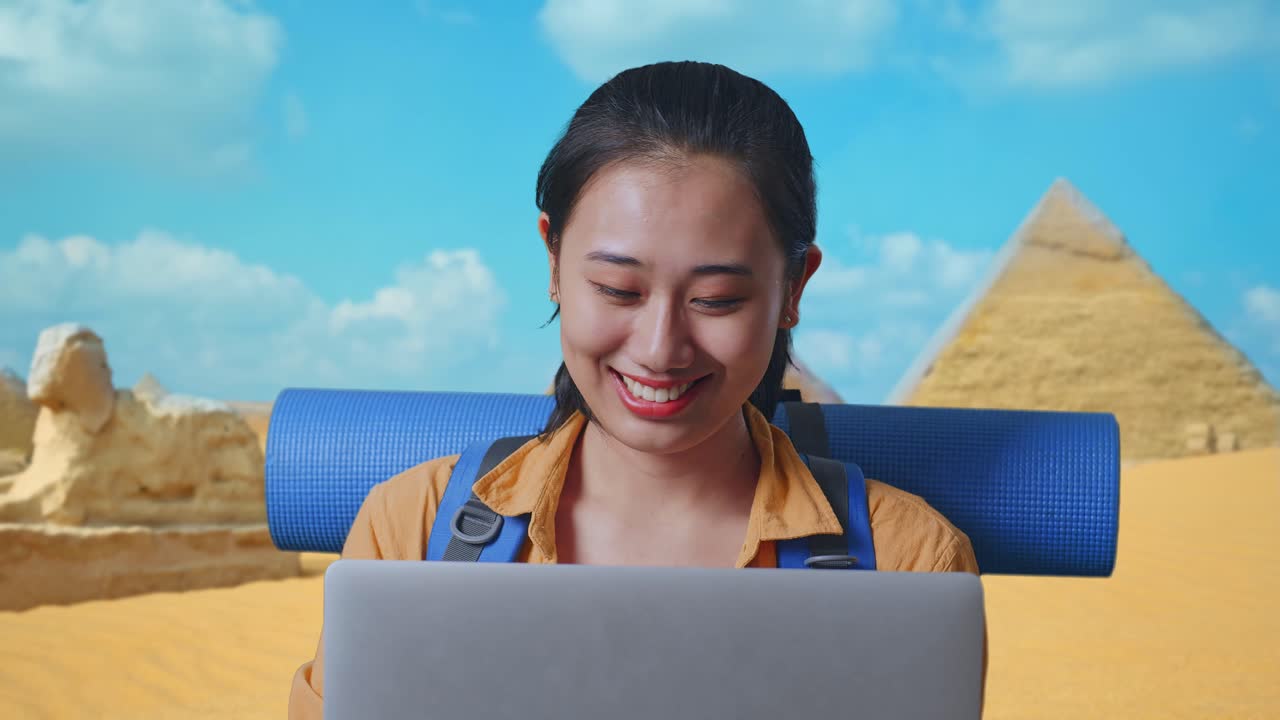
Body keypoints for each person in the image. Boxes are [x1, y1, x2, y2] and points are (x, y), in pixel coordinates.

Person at [288, 60, 982, 719]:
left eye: (716, 299)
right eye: (618, 289)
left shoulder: (910, 562)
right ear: (553, 263)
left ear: (794, 289)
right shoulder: (411, 530)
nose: (659, 349)